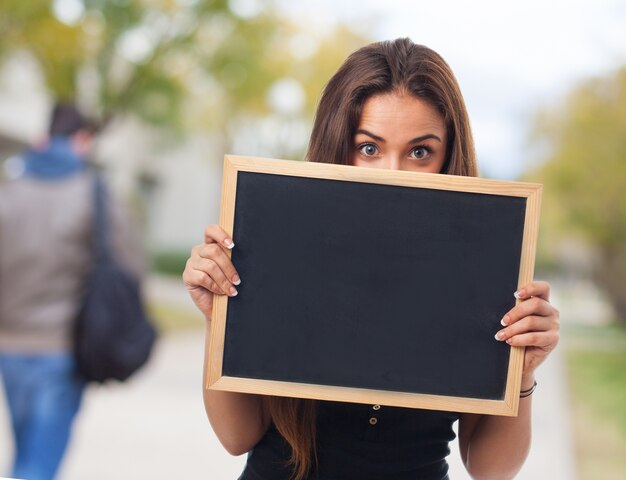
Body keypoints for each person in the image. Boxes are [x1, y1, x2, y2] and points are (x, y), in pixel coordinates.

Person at [182, 38, 560, 480]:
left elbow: (492, 470)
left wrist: (522, 372)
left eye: (420, 152)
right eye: (368, 148)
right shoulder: (280, 242)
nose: (393, 174)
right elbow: (236, 437)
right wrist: (219, 317)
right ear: (337, 145)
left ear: (448, 156)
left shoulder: (480, 268)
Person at [0, 102, 144, 480]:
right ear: (82, 140)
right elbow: (130, 266)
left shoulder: (9, 192)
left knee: (25, 456)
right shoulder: (94, 194)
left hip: (9, 347)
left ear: (44, 138)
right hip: (61, 348)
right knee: (38, 466)